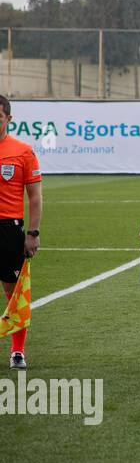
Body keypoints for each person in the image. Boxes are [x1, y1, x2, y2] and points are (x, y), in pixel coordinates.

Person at [0, 96, 42, 370]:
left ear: (8, 119)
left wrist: (33, 233)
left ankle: (18, 352)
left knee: (13, 293)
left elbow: (35, 197)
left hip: (8, 229)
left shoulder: (23, 151)